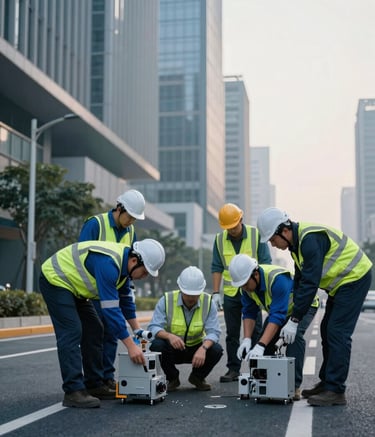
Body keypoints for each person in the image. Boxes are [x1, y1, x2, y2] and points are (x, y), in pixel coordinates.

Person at [257, 207, 372, 406]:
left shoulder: (309, 240)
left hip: (355, 277)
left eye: (273, 239)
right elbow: (301, 282)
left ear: (284, 231)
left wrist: (294, 321)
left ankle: (335, 390)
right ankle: (327, 383)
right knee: (327, 330)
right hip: (340, 285)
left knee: (337, 332)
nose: (273, 244)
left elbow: (311, 282)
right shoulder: (296, 247)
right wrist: (292, 315)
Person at [39, 238, 165, 408]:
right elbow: (111, 311)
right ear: (135, 261)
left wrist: (137, 330)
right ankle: (73, 391)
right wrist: (130, 346)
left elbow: (126, 302)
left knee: (95, 329)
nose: (145, 276)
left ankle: (94, 384)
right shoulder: (108, 264)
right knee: (72, 331)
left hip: (76, 289)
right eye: (145, 272)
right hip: (56, 279)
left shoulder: (124, 270)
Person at [79, 189, 145, 389]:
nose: (131, 222)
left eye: (135, 219)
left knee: (111, 333)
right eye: (130, 217)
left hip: (113, 288)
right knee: (96, 333)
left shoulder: (131, 232)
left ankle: (107, 377)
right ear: (119, 208)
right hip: (91, 290)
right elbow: (81, 256)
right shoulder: (95, 224)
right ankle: (95, 380)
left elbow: (130, 264)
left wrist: (136, 327)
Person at [229, 254, 319, 400]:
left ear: (256, 274)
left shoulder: (278, 280)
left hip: (304, 307)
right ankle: (263, 383)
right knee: (265, 344)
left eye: (245, 284)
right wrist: (246, 340)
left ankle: (293, 386)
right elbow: (249, 313)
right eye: (241, 285)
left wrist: (260, 345)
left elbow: (277, 317)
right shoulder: (246, 288)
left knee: (293, 338)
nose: (244, 288)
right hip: (279, 311)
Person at [211, 203, 272, 382]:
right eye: (227, 228)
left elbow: (266, 263)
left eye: (234, 226)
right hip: (231, 294)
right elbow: (216, 266)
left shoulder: (255, 235)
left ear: (241, 220)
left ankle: (258, 368)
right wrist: (216, 293)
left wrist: (263, 291)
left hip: (252, 293)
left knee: (256, 331)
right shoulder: (219, 239)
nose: (231, 231)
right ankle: (233, 369)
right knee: (232, 333)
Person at [148, 266, 223, 392]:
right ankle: (172, 378)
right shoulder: (167, 300)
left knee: (216, 349)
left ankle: (197, 377)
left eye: (195, 295)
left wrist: (203, 348)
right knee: (156, 345)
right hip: (173, 349)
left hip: (196, 349)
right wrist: (169, 336)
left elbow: (214, 332)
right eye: (187, 294)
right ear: (180, 289)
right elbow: (154, 327)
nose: (191, 298)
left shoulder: (208, 302)